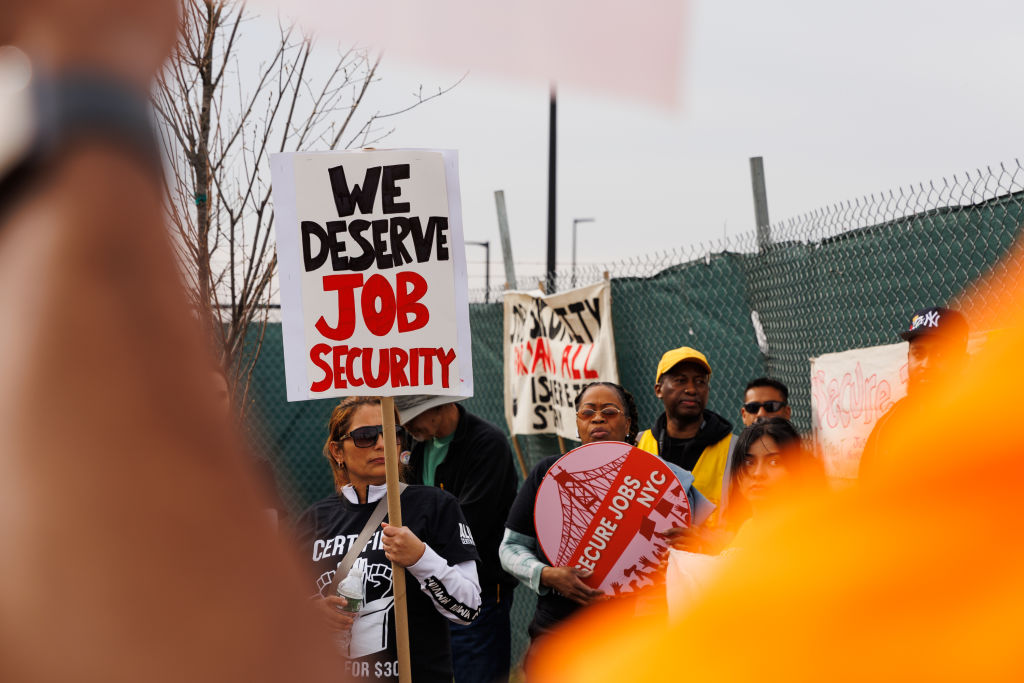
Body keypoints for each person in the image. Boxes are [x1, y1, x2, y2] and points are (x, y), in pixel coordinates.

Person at [500, 382, 713, 646]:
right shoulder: (548, 473)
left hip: (638, 634)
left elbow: (711, 547)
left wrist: (695, 545)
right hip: (560, 631)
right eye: (587, 413)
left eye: (609, 412)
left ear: (628, 424)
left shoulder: (664, 480)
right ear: (577, 425)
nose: (598, 418)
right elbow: (510, 547)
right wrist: (544, 574)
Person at [296, 397, 483, 682]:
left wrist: (421, 558)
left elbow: (469, 608)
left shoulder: (435, 506)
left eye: (391, 432)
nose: (381, 444)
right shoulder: (314, 520)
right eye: (365, 436)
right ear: (337, 451)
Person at [400, 400, 519, 683]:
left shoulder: (488, 444)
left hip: (482, 590)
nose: (406, 425)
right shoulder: (413, 442)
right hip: (426, 587)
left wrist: (417, 550)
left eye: (414, 416)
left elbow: (471, 524)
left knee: (477, 672)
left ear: (443, 405)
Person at [859, 306, 969, 477]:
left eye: (940, 354)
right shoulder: (887, 428)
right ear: (908, 358)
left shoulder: (985, 426)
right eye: (918, 354)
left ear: (962, 361)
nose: (926, 364)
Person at [636, 347, 733, 524]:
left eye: (700, 382)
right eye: (680, 381)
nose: (691, 389)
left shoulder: (735, 449)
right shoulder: (637, 445)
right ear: (658, 390)